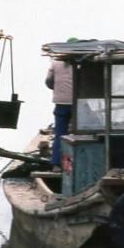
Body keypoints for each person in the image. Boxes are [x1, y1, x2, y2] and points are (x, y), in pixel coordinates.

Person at [45, 38, 77, 169]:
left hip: (60, 103)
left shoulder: (56, 62)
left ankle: (56, 165)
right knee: (80, 134)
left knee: (60, 134)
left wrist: (58, 89)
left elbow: (48, 81)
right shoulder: (82, 63)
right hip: (77, 103)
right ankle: (73, 165)